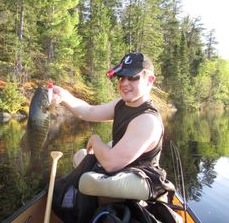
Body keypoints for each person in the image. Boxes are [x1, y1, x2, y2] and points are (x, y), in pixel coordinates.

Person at [52, 52, 174, 201]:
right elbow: (89, 111)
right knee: (80, 156)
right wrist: (63, 96)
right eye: (121, 77)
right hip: (120, 168)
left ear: (149, 80)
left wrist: (95, 140)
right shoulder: (120, 104)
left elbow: (111, 164)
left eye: (133, 77)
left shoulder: (147, 120)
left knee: (87, 181)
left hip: (142, 177)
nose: (124, 83)